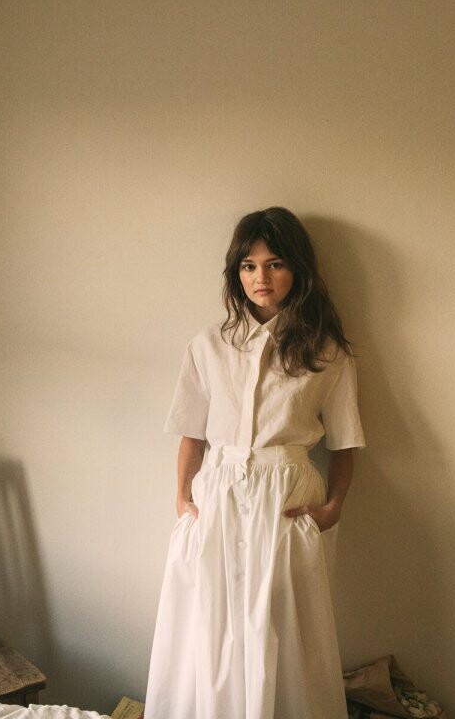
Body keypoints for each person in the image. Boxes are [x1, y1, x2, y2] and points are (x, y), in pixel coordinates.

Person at [146, 206, 364, 719]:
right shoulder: (208, 345)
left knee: (282, 627)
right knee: (210, 624)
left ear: (297, 270)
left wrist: (333, 508)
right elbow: (192, 434)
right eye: (248, 266)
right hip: (217, 498)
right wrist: (182, 499)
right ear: (236, 273)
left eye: (274, 264)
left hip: (287, 500)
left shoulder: (327, 352)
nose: (260, 277)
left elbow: (345, 444)